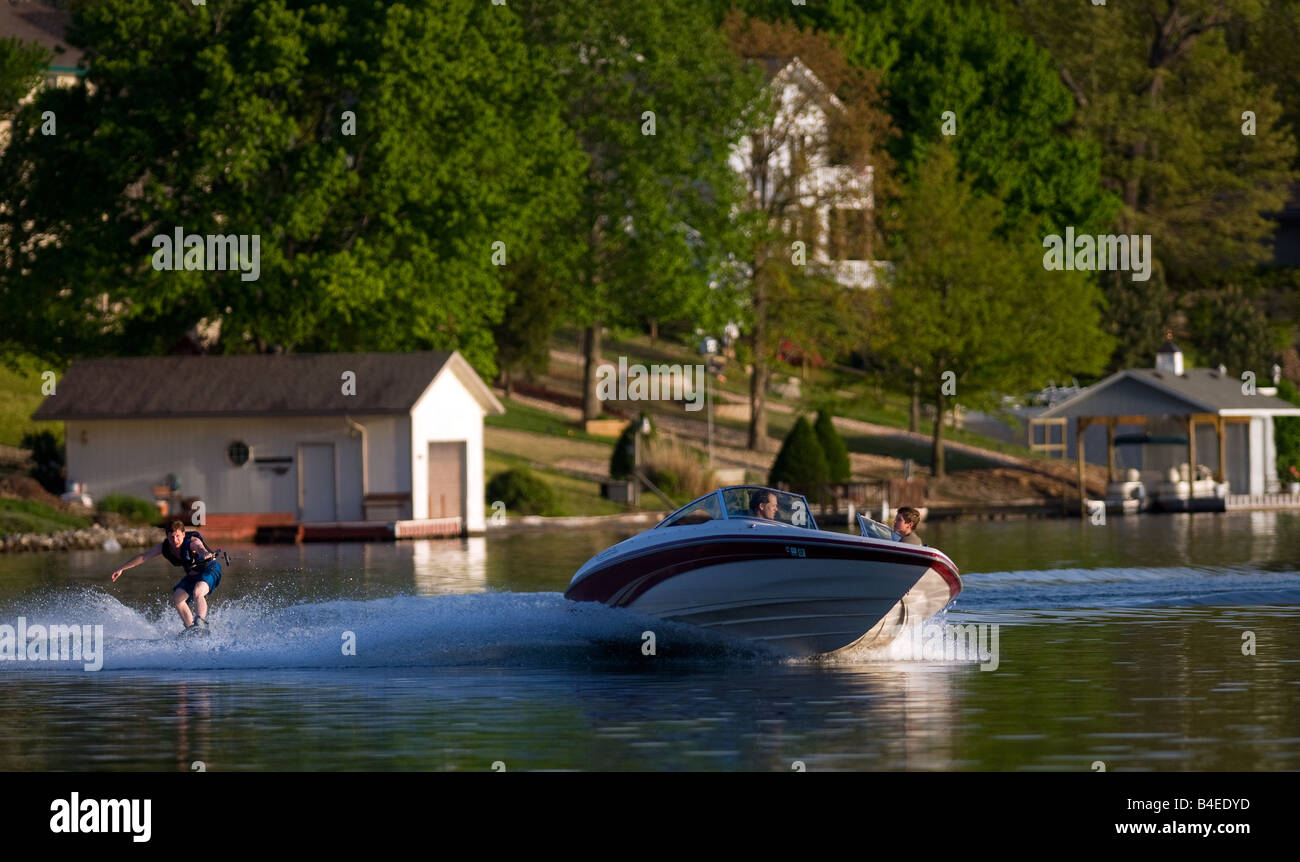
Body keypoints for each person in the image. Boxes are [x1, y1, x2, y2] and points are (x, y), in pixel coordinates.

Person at [110, 520, 223, 631]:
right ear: (167, 537)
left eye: (178, 536)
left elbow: (199, 547)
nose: (175, 540)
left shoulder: (192, 542)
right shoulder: (165, 547)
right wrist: (122, 568)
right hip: (193, 576)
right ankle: (191, 629)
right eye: (171, 537)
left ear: (183, 534)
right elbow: (144, 556)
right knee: (177, 599)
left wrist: (204, 553)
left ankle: (201, 623)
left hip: (210, 570)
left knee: (198, 592)